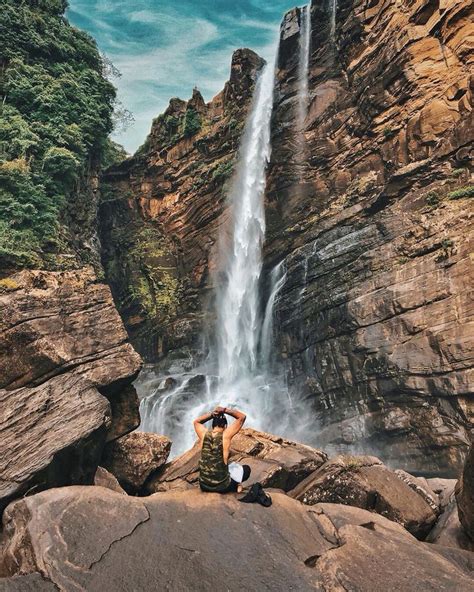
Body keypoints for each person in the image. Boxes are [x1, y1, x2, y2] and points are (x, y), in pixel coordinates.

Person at [193, 406, 251, 493]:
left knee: (228, 466)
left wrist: (212, 414)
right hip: (222, 487)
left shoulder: (203, 434)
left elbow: (196, 421)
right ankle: (237, 485)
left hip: (204, 485)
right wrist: (224, 410)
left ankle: (236, 485)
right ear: (225, 426)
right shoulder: (225, 436)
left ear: (212, 425)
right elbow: (242, 417)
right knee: (246, 469)